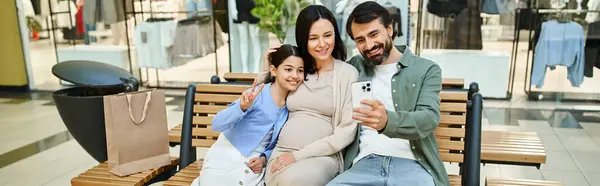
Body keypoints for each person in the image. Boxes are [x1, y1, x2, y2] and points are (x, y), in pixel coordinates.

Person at [327, 1, 450, 186]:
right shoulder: (354, 67)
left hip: (413, 164)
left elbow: (429, 118)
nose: (369, 45)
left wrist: (387, 122)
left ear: (390, 29)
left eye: (374, 34)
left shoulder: (426, 69)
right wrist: (269, 77)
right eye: (360, 40)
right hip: (364, 164)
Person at [260, 5, 359, 186]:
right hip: (281, 152)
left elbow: (346, 132)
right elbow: (263, 102)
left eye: (327, 35)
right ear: (303, 39)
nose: (322, 44)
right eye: (313, 38)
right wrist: (265, 68)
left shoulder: (347, 74)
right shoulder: (296, 69)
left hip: (322, 157)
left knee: (293, 181)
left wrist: (297, 156)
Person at [192, 44, 305, 186]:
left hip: (254, 165)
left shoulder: (293, 105)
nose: (295, 76)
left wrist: (264, 159)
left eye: (300, 70)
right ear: (274, 70)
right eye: (288, 69)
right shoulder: (257, 95)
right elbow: (216, 124)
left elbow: (278, 143)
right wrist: (241, 107)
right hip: (227, 155)